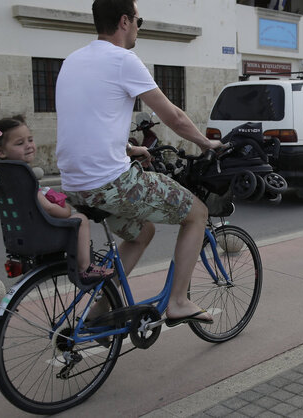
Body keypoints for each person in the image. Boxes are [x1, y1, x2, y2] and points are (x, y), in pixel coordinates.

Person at [55, 0, 224, 326]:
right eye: (138, 20)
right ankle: (178, 301)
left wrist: (129, 150)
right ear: (123, 21)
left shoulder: (72, 60)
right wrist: (206, 143)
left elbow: (90, 120)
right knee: (198, 213)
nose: (137, 27)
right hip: (111, 184)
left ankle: (102, 312)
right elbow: (172, 116)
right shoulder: (122, 59)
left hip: (75, 185)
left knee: (142, 232)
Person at [0, 116, 114, 282]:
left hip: (21, 232)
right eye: (20, 143)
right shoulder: (20, 176)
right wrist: (66, 210)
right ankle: (85, 268)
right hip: (41, 232)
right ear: (1, 151)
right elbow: (49, 208)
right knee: (81, 219)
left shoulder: (4, 175)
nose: (29, 146)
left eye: (30, 140)